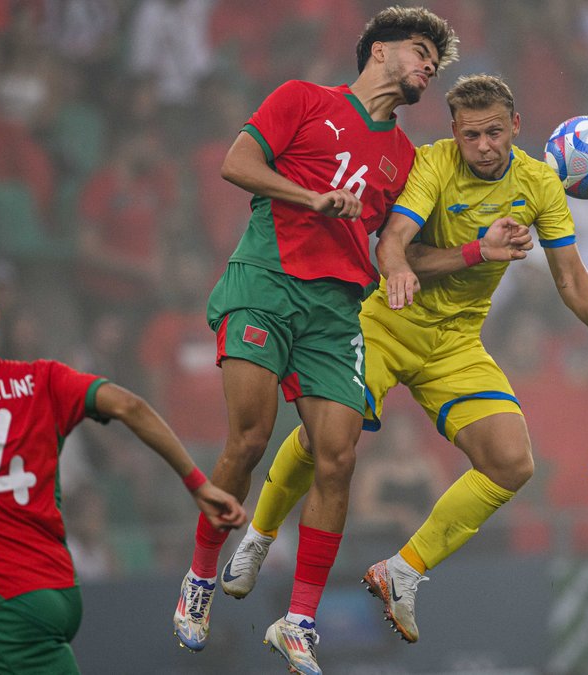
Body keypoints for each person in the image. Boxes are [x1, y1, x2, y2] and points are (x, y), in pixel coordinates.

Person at [218, 73, 588, 644]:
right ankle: (261, 535)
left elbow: (568, 272)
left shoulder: (540, 183)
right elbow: (394, 245)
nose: (484, 146)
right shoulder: (431, 165)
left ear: (516, 127)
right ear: (454, 132)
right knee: (329, 440)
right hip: (384, 323)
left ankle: (402, 571)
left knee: (511, 462)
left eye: (494, 133)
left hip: (456, 341)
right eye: (471, 135)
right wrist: (466, 253)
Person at [169, 7, 458, 674]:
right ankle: (199, 577)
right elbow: (236, 163)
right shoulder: (302, 98)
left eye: (435, 61)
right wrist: (310, 196)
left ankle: (297, 620)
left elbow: (399, 249)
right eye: (420, 50)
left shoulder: (406, 158)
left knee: (339, 457)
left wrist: (476, 250)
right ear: (379, 49)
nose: (428, 65)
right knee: (249, 438)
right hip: (266, 281)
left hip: (336, 311)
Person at [0, 266, 246, 675]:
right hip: (43, 589)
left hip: (11, 605)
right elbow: (130, 405)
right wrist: (197, 484)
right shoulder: (42, 378)